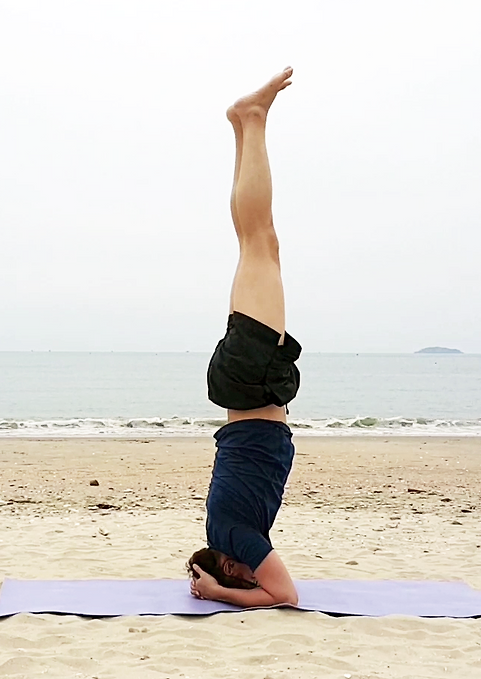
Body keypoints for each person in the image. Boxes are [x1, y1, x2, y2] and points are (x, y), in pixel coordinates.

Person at [187, 67, 301, 608]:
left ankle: (252, 119)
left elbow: (284, 596)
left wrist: (218, 592)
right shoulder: (223, 530)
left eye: (243, 577)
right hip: (239, 387)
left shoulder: (236, 539)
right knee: (255, 243)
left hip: (251, 384)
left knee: (260, 241)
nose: (257, 573)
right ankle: (242, 125)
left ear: (233, 569)